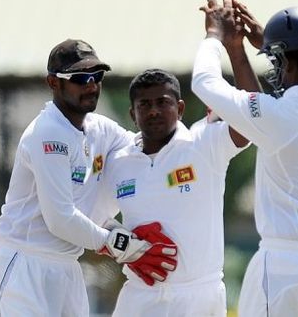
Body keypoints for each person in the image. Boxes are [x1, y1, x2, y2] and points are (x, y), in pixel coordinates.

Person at [0, 39, 177, 317]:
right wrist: (124, 246)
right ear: (53, 83)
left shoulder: (100, 128)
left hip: (68, 265)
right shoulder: (48, 133)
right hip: (25, 264)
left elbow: (146, 148)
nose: (91, 85)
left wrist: (201, 131)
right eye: (80, 78)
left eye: (96, 76)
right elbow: (61, 219)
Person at [192, 0, 298, 316]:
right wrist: (243, 52)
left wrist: (214, 36)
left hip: (282, 272)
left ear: (286, 63)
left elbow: (204, 82)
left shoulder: (279, 117)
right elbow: (264, 116)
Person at [101, 68, 250, 316]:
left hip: (199, 298)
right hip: (140, 295)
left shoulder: (204, 143)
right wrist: (124, 245)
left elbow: (250, 122)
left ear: (180, 109)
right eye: (144, 104)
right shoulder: (119, 161)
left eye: (163, 102)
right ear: (132, 114)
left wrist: (234, 50)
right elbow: (94, 217)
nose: (153, 111)